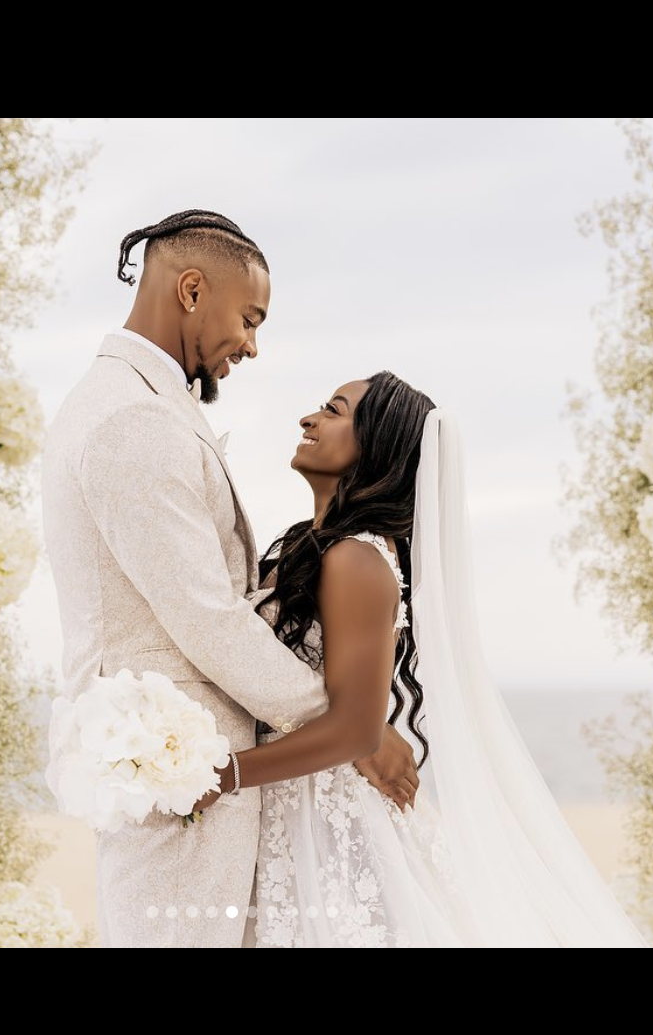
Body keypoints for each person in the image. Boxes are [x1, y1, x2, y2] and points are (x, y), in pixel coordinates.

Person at [42, 210, 419, 948]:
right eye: (249, 319)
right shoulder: (133, 421)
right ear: (191, 290)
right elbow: (206, 614)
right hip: (179, 798)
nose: (252, 345)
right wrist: (353, 728)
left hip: (195, 790)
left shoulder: (138, 406)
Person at [194, 372, 649, 948]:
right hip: (287, 803)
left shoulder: (357, 560)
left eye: (333, 411)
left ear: (377, 449)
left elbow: (356, 730)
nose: (309, 420)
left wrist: (222, 777)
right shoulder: (307, 547)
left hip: (325, 819)